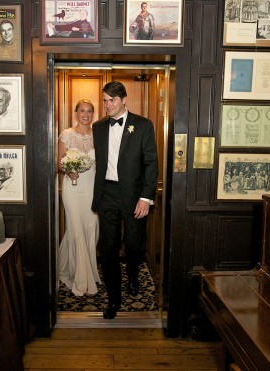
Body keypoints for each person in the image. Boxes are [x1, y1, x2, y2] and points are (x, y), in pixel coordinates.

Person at [92, 81, 158, 319]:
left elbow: (151, 163)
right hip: (107, 193)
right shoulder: (98, 127)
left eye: (112, 100)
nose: (107, 105)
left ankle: (132, 275)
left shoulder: (142, 125)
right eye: (105, 100)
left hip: (134, 196)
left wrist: (146, 198)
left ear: (124, 100)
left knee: (134, 244)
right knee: (108, 248)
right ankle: (113, 299)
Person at [58, 99, 101, 296]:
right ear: (76, 113)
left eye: (89, 111)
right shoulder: (66, 135)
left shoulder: (99, 135)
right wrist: (69, 170)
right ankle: (80, 278)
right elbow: (60, 163)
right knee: (75, 229)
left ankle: (87, 270)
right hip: (72, 189)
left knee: (91, 228)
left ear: (93, 114)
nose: (86, 114)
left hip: (92, 188)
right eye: (82, 110)